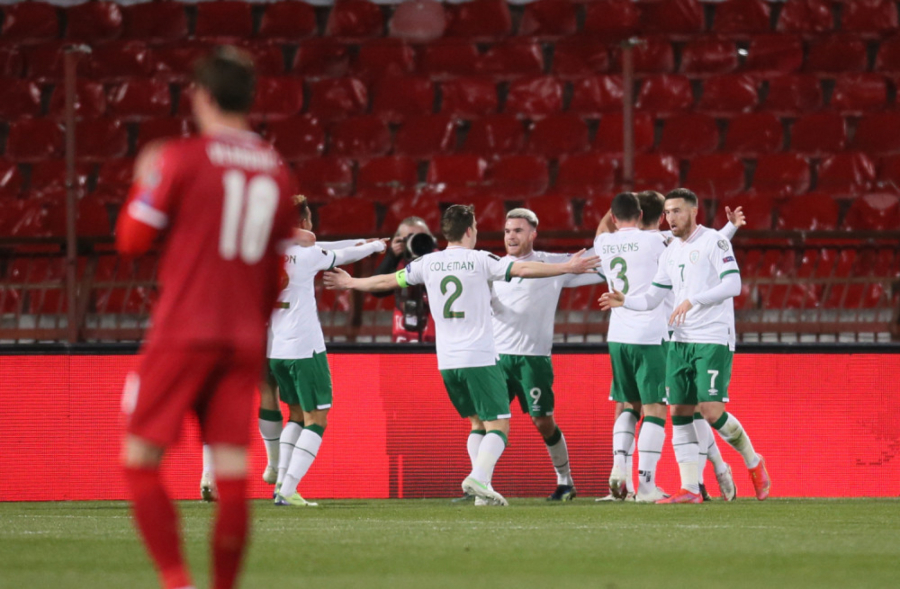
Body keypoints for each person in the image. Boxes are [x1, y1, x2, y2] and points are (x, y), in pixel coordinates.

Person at [116, 47, 299, 589]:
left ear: (202, 96)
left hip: (184, 329)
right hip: (242, 338)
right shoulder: (277, 170)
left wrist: (144, 178)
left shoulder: (181, 158)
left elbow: (132, 240)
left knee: (139, 457)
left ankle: (177, 580)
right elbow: (276, 275)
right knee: (232, 471)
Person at [324, 204, 599, 506]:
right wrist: (566, 267)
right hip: (480, 356)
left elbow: (388, 280)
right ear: (470, 230)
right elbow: (521, 269)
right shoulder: (481, 260)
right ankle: (479, 479)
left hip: (448, 361)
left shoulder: (428, 262)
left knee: (479, 422)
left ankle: (484, 490)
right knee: (498, 426)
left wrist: (350, 283)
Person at [600, 188, 771, 504]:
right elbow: (652, 298)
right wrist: (626, 301)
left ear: (694, 212)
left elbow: (733, 284)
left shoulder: (714, 241)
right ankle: (690, 488)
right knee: (678, 411)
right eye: (667, 212)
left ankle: (753, 461)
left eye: (677, 211)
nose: (670, 218)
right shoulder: (670, 252)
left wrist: (694, 300)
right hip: (679, 339)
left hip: (712, 337)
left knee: (710, 411)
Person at [270, 195, 388, 506]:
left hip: (277, 349)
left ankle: (280, 483)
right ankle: (288, 489)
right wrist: (376, 246)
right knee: (317, 419)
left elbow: (328, 247)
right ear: (304, 222)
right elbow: (342, 255)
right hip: (305, 348)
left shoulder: (266, 252)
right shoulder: (307, 255)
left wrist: (364, 241)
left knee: (296, 415)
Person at [491, 208, 605, 502]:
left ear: (533, 234)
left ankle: (565, 482)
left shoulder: (553, 264)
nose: (511, 236)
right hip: (496, 359)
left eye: (518, 230)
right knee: (485, 420)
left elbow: (600, 263)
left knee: (543, 422)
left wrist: (623, 237)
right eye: (507, 231)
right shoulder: (494, 266)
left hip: (533, 359)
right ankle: (479, 483)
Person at [372, 217, 437, 342]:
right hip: (404, 332)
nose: (416, 243)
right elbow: (376, 291)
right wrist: (391, 256)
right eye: (410, 238)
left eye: (420, 237)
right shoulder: (398, 262)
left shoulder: (438, 260)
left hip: (433, 331)